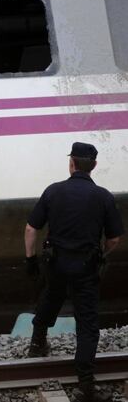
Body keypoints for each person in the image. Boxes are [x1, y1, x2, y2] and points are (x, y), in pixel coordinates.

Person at [24, 142, 124, 402]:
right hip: (86, 266)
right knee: (88, 322)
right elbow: (114, 238)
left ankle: (37, 343)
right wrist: (102, 253)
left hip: (56, 263)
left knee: (51, 298)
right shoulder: (103, 196)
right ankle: (86, 384)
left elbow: (31, 229)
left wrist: (30, 260)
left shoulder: (53, 191)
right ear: (94, 166)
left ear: (71, 164)